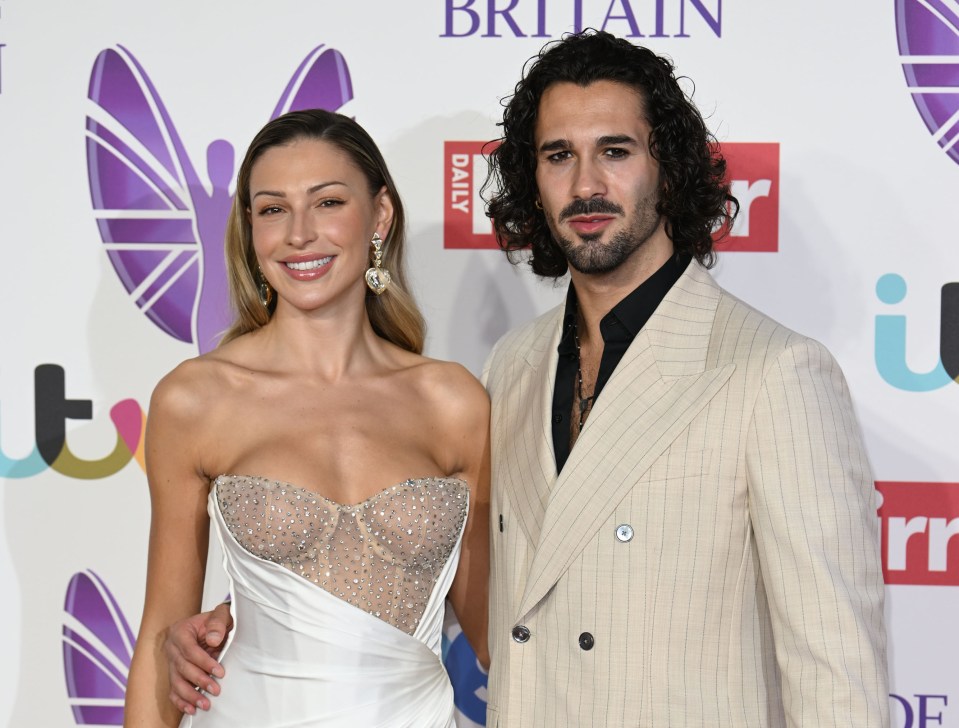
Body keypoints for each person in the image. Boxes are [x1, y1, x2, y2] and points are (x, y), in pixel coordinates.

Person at [164, 31, 889, 727]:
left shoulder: (774, 373)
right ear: (530, 180)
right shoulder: (511, 368)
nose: (585, 184)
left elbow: (838, 681)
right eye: (556, 156)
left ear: (666, 164)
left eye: (614, 151)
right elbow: (491, 603)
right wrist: (265, 624)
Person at [123, 109, 490, 728]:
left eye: (327, 203)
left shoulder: (452, 401)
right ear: (250, 230)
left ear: (379, 215)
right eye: (272, 209)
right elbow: (163, 629)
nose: (299, 234)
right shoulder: (196, 399)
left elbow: (497, 635)